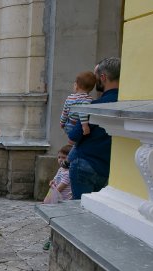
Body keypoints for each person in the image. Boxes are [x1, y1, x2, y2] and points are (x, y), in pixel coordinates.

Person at [68, 57, 120, 200]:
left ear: (103, 77)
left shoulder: (94, 106)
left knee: (79, 208)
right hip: (107, 167)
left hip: (86, 163)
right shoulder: (125, 104)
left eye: (96, 76)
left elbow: (72, 138)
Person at [60, 71, 96, 137]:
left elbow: (65, 112)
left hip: (69, 125)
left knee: (72, 141)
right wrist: (85, 126)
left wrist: (62, 123)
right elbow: (83, 113)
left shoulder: (69, 98)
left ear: (76, 85)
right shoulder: (88, 99)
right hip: (79, 127)